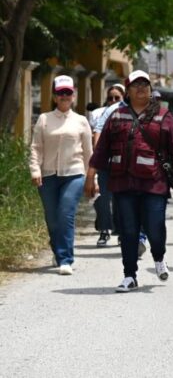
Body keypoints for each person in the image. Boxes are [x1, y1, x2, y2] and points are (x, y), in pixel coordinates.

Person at [84, 70, 173, 292]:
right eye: (136, 84)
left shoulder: (163, 116)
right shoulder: (116, 116)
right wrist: (91, 176)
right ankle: (129, 275)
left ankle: (159, 257)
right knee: (128, 231)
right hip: (124, 184)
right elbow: (101, 150)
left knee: (155, 228)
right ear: (128, 90)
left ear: (150, 90)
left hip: (154, 183)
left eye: (145, 84)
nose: (141, 88)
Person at [29, 75, 93, 275]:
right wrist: (35, 169)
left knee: (66, 213)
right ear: (55, 97)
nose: (64, 96)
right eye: (60, 93)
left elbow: (89, 154)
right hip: (47, 175)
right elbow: (36, 147)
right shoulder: (44, 118)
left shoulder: (81, 121)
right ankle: (58, 249)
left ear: (73, 95)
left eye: (68, 92)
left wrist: (93, 179)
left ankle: (65, 259)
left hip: (74, 174)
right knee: (52, 218)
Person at [92, 83, 126, 247]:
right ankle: (104, 230)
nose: (113, 100)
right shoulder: (103, 112)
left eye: (117, 98)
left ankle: (121, 232)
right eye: (110, 97)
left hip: (124, 165)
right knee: (103, 198)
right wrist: (98, 156)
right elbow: (97, 132)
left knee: (121, 200)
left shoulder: (132, 110)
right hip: (106, 163)